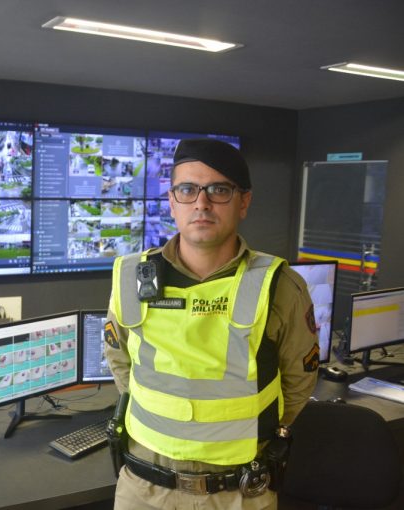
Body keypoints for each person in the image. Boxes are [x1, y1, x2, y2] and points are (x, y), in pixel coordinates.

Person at [105, 138, 319, 509]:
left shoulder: (280, 286)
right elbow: (120, 362)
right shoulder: (130, 276)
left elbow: (298, 382)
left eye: (219, 190)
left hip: (237, 494)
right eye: (188, 190)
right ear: (172, 202)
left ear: (244, 202)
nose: (201, 203)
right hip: (143, 489)